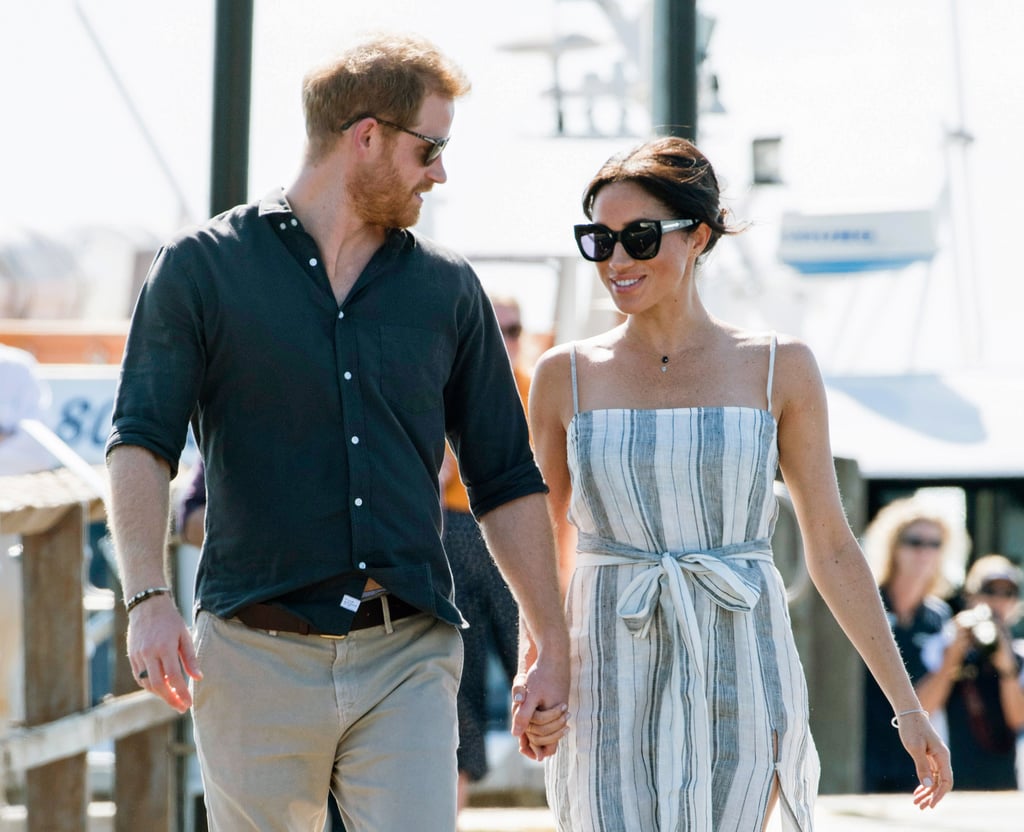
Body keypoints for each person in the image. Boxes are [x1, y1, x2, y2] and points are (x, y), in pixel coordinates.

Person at [105, 33, 568, 832]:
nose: (441, 172)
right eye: (430, 148)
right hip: (253, 655)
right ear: (367, 137)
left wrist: (549, 639)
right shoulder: (200, 269)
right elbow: (141, 439)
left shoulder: (449, 289)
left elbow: (506, 476)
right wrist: (147, 598)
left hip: (409, 656)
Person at [520, 136, 952, 832]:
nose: (617, 260)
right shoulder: (562, 375)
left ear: (697, 236)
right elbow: (539, 540)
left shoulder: (780, 367)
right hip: (606, 661)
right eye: (598, 240)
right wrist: (536, 664)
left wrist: (908, 706)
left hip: (743, 661)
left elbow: (834, 548)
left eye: (636, 237)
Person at [438, 294, 530, 810]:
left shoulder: (539, 389)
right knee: (462, 684)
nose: (505, 343)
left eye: (513, 332)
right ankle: (451, 811)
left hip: (522, 539)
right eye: (496, 332)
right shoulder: (445, 390)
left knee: (547, 669)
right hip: (457, 537)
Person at [860, 496, 961, 793]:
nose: (924, 552)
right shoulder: (866, 602)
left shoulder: (939, 616)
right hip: (857, 748)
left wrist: (953, 658)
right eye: (915, 541)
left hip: (912, 755)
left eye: (935, 544)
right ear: (892, 545)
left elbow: (929, 702)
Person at [918, 555, 1024, 790]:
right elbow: (922, 708)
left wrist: (1007, 668)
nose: (997, 601)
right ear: (970, 596)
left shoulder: (1019, 655)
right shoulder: (941, 645)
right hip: (951, 778)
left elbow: (1018, 720)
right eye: (989, 590)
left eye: (1007, 593)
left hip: (1004, 782)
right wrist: (953, 657)